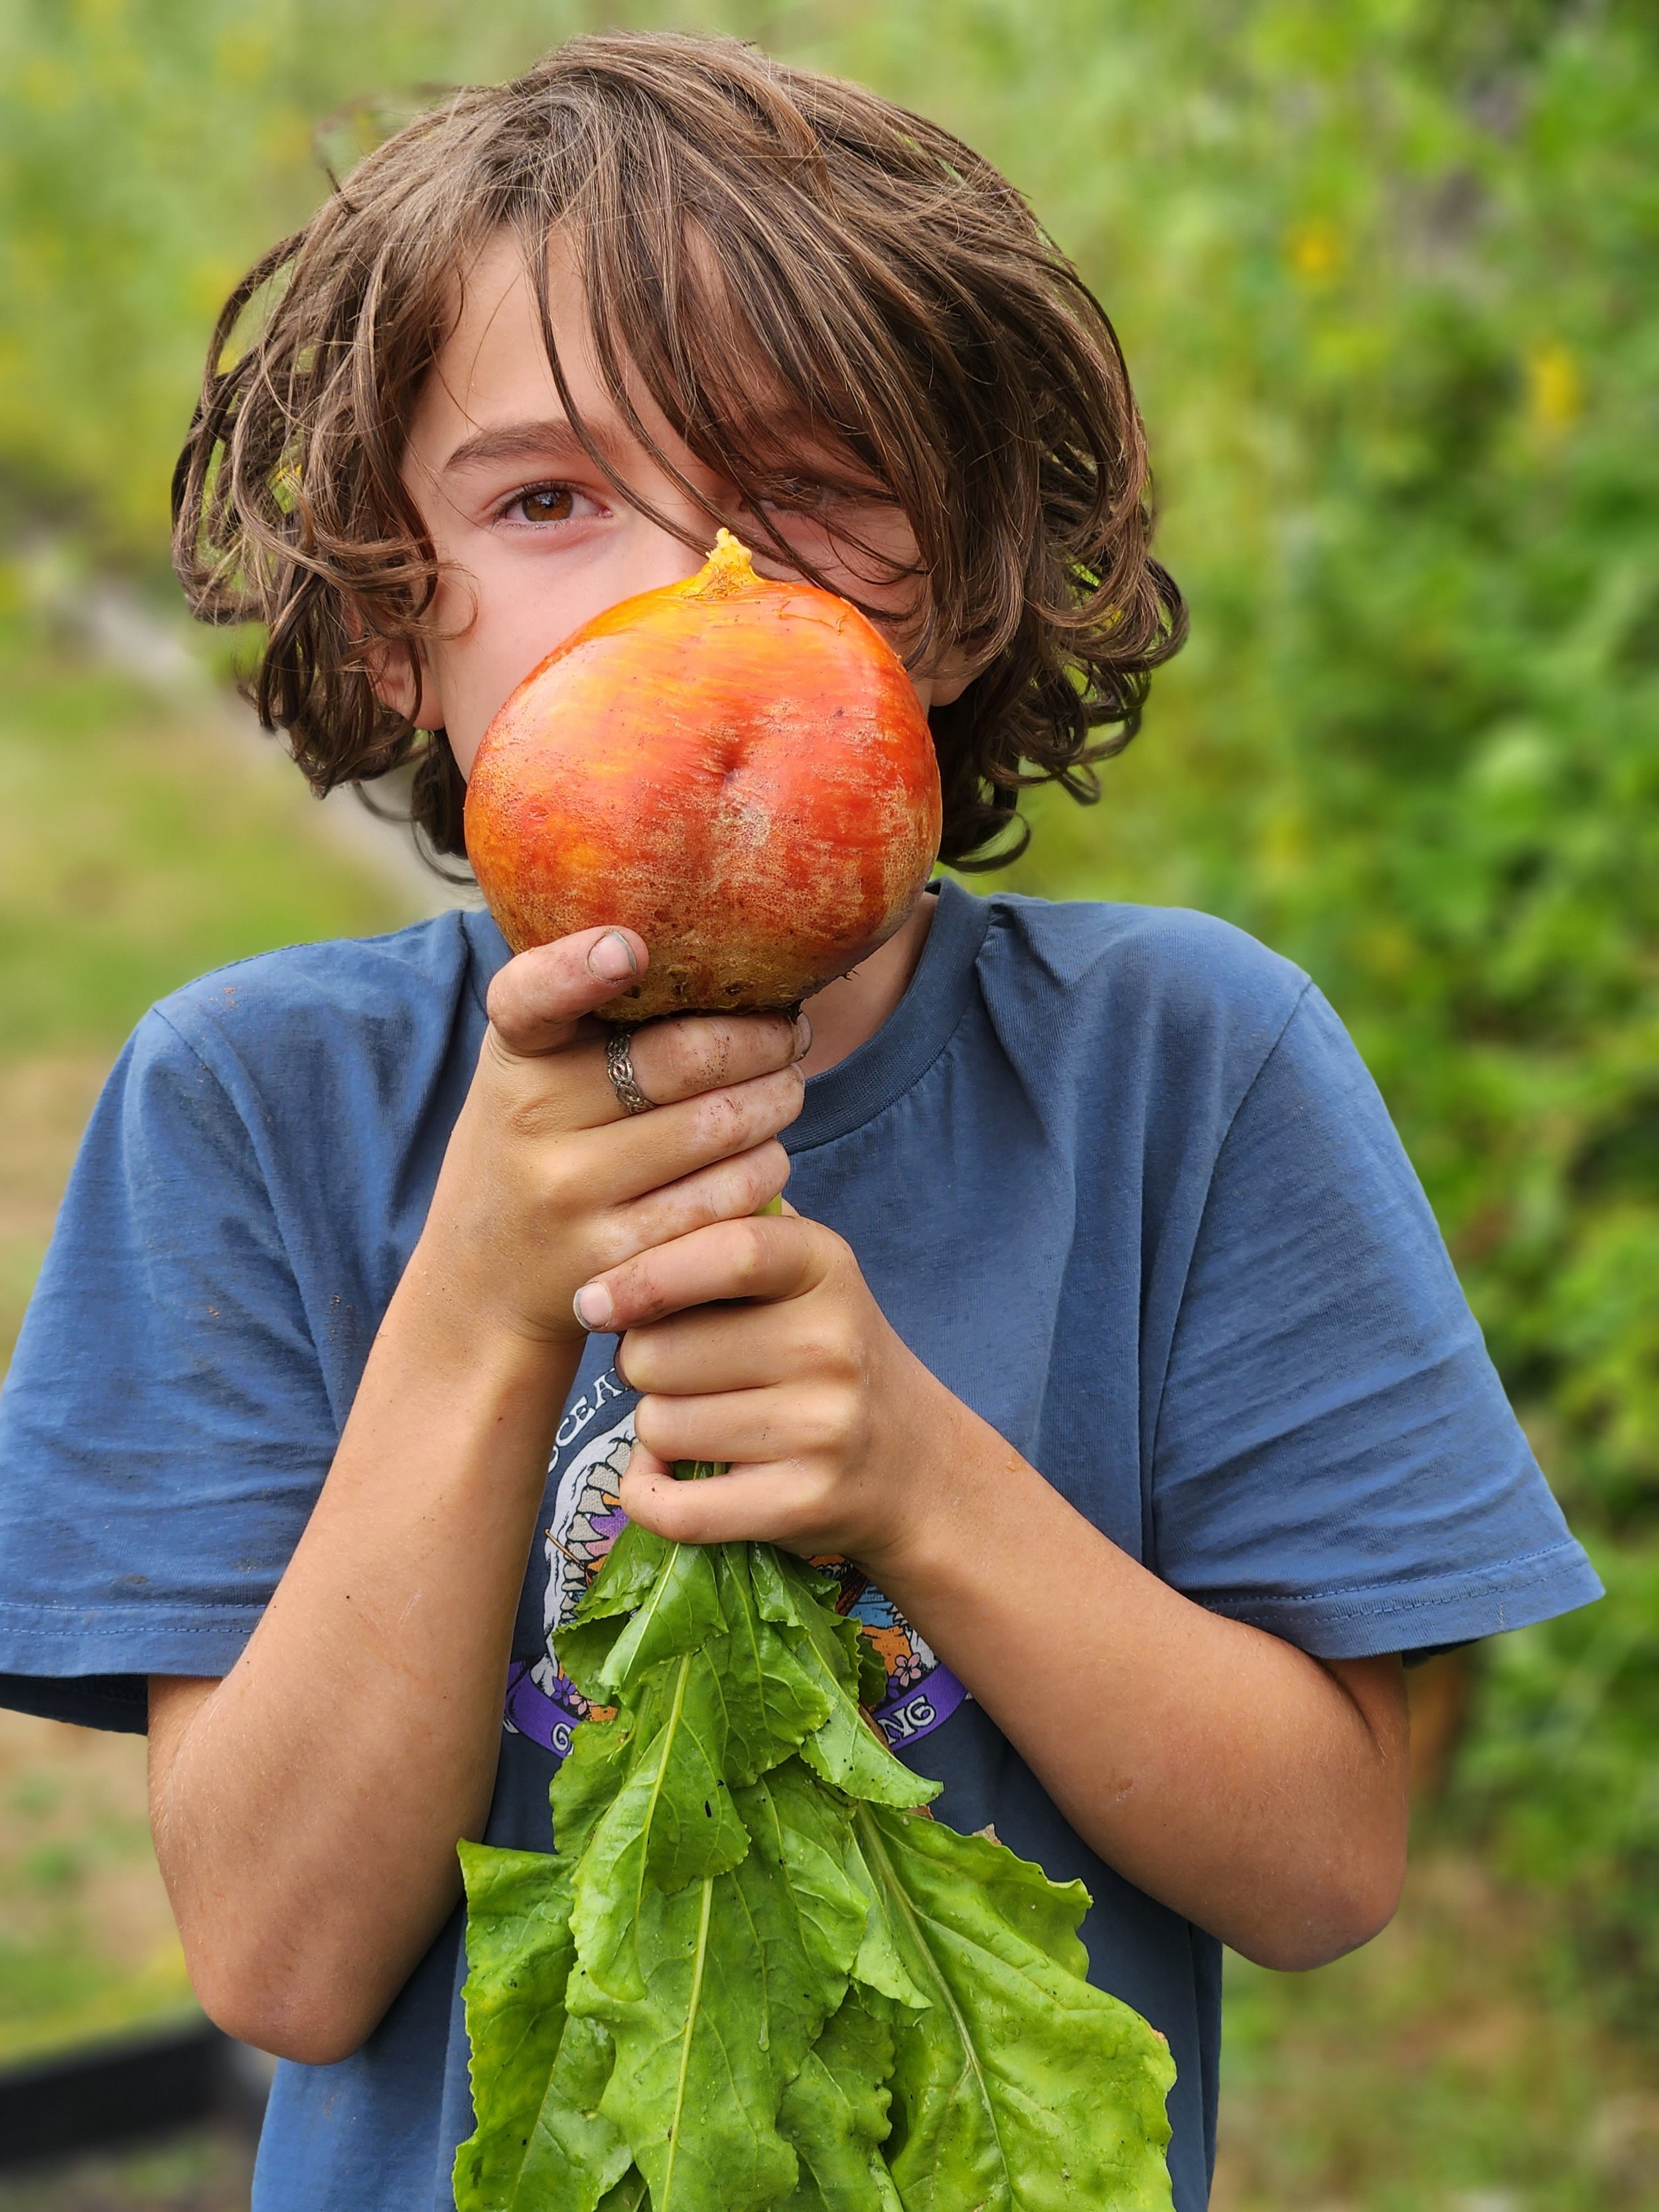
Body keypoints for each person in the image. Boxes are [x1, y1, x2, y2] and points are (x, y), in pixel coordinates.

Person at [0, 33, 1599, 2212]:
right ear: (400, 623)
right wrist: (479, 1302)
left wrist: (921, 1474)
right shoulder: (256, 1109)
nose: (696, 592)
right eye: (547, 499)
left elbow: (1322, 1867)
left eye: (807, 487)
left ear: (946, 590)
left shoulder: (1185, 1070)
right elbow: (277, 1959)